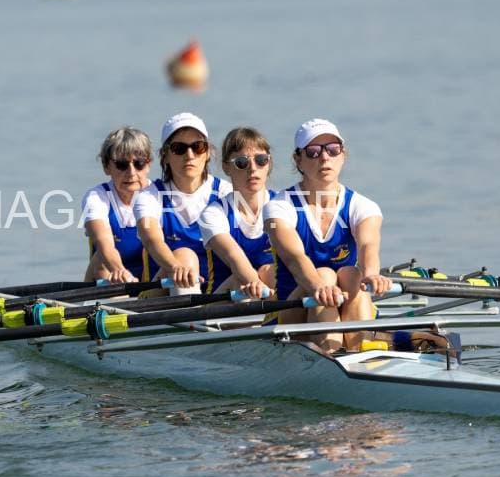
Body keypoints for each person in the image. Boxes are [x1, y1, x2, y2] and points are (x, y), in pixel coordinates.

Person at [263, 118, 393, 348]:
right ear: (298, 159)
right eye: (313, 151)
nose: (324, 157)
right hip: (290, 315)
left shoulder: (364, 207)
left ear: (343, 155)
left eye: (333, 149)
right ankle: (334, 352)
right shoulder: (278, 208)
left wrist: (372, 274)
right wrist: (319, 286)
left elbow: (368, 246)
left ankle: (357, 351)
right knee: (324, 275)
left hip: (346, 301)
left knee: (353, 276)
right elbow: (294, 258)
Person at [134, 112, 233, 292]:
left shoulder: (226, 192)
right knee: (185, 257)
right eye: (179, 148)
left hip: (215, 295)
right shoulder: (149, 197)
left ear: (208, 153)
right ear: (165, 156)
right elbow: (151, 239)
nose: (189, 155)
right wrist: (175, 266)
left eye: (198, 147)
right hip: (161, 295)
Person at [199, 127, 276, 299]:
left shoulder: (283, 207)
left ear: (268, 164)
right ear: (226, 167)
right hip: (223, 304)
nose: (253, 169)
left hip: (270, 296)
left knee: (270, 272)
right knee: (241, 281)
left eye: (261, 160)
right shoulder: (214, 214)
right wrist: (265, 292)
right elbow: (234, 258)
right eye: (242, 162)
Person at [81, 126, 153, 283]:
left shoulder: (160, 195)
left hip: (150, 281)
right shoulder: (97, 197)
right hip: (111, 278)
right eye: (121, 165)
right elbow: (104, 243)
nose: (131, 172)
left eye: (139, 163)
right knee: (100, 259)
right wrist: (121, 272)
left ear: (148, 164)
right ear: (106, 167)